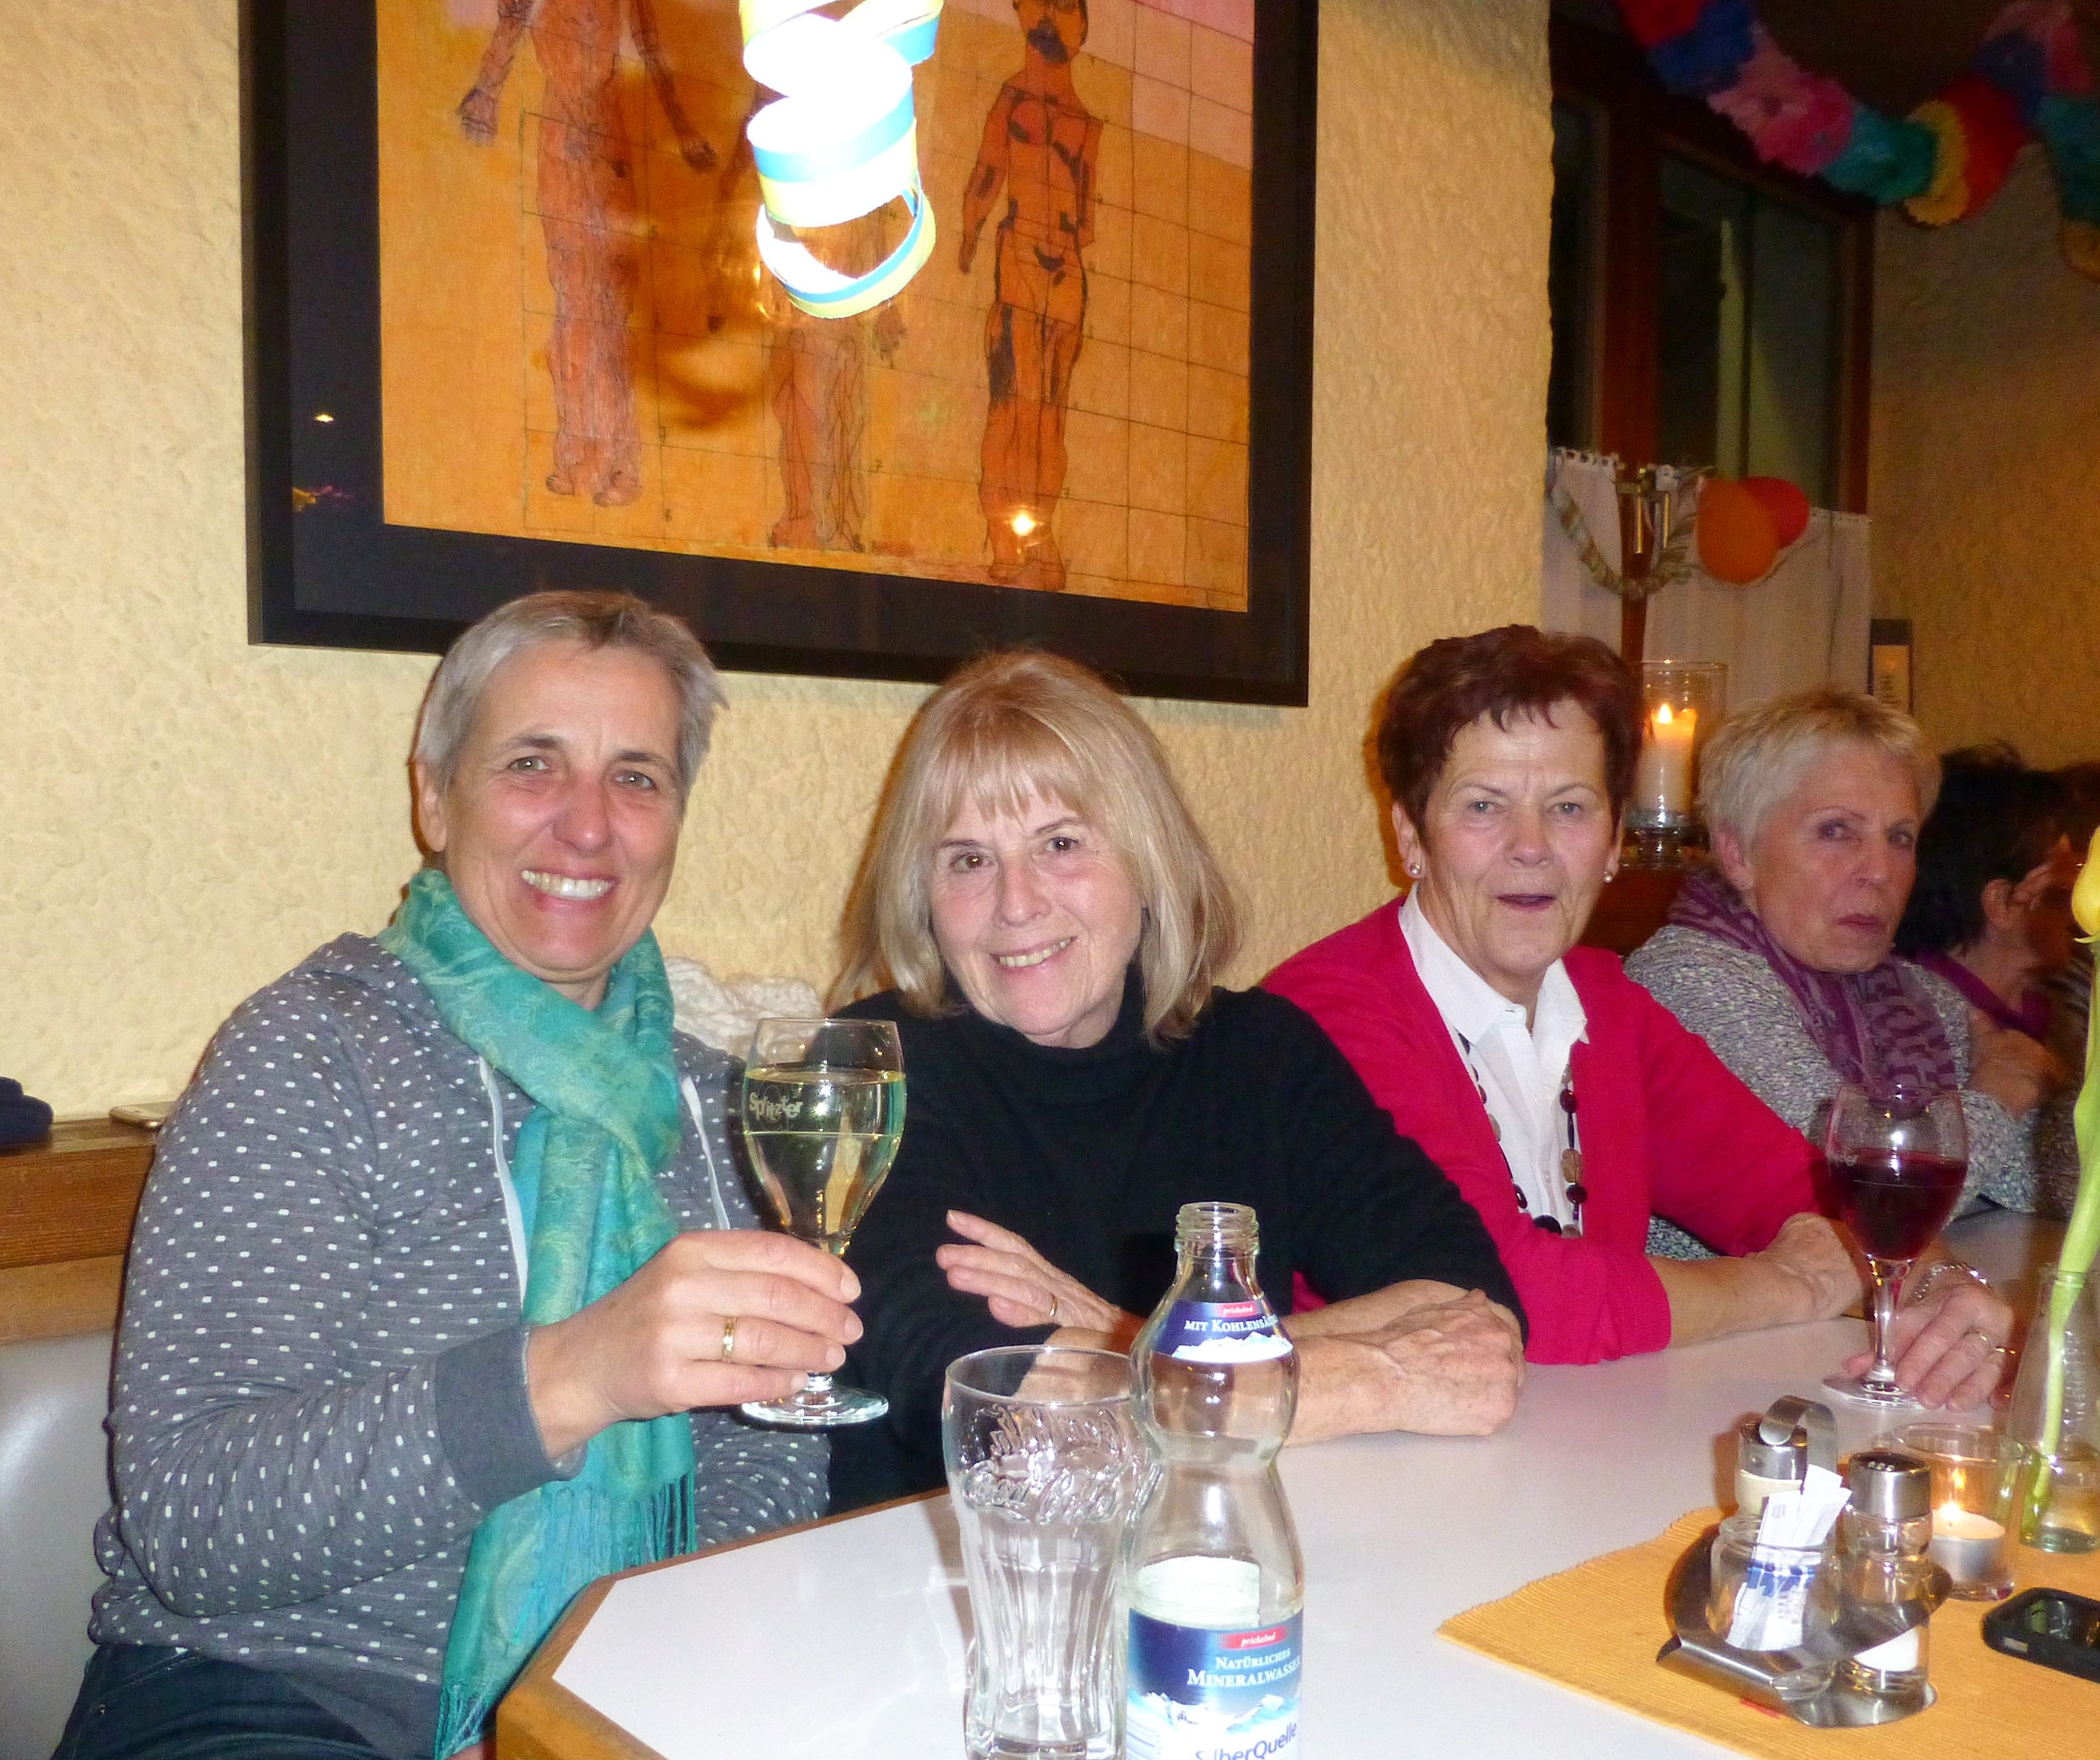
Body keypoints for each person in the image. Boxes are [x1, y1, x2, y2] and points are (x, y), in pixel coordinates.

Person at [56, 593, 862, 1760]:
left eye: (636, 777)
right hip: (271, 1688)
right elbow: (193, 1519)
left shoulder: (717, 1100)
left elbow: (767, 1458)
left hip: (610, 1700)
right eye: (533, 763)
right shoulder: (311, 1051)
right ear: (434, 796)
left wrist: (573, 1712)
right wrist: (572, 1373)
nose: (588, 824)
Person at [826, 649, 1526, 1511]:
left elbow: (1470, 1301)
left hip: (1228, 1538)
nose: (1016, 903)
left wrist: (1116, 1338)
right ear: (923, 895)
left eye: (1060, 844)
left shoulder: (1259, 1052)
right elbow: (998, 1401)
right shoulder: (871, 1067)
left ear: (1149, 860)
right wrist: (1372, 1376)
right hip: (961, 1564)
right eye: (967, 860)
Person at [1267, 627, 2009, 1391]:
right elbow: (1487, 1292)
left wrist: (1939, 1287)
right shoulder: (1323, 1017)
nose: (1532, 846)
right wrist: (1786, 1285)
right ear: (1410, 836)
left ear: (1614, 840)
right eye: (1484, 806)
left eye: (1569, 807)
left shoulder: (1609, 1003)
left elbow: (1804, 1194)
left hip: (1586, 1429)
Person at [1627, 688, 2054, 1222]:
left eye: (1900, 837)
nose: (1880, 871)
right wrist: (1998, 1097)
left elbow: (2043, 1184)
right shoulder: (1686, 980)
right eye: (1835, 831)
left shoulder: (1917, 996)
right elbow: (1861, 1199)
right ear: (1736, 853)